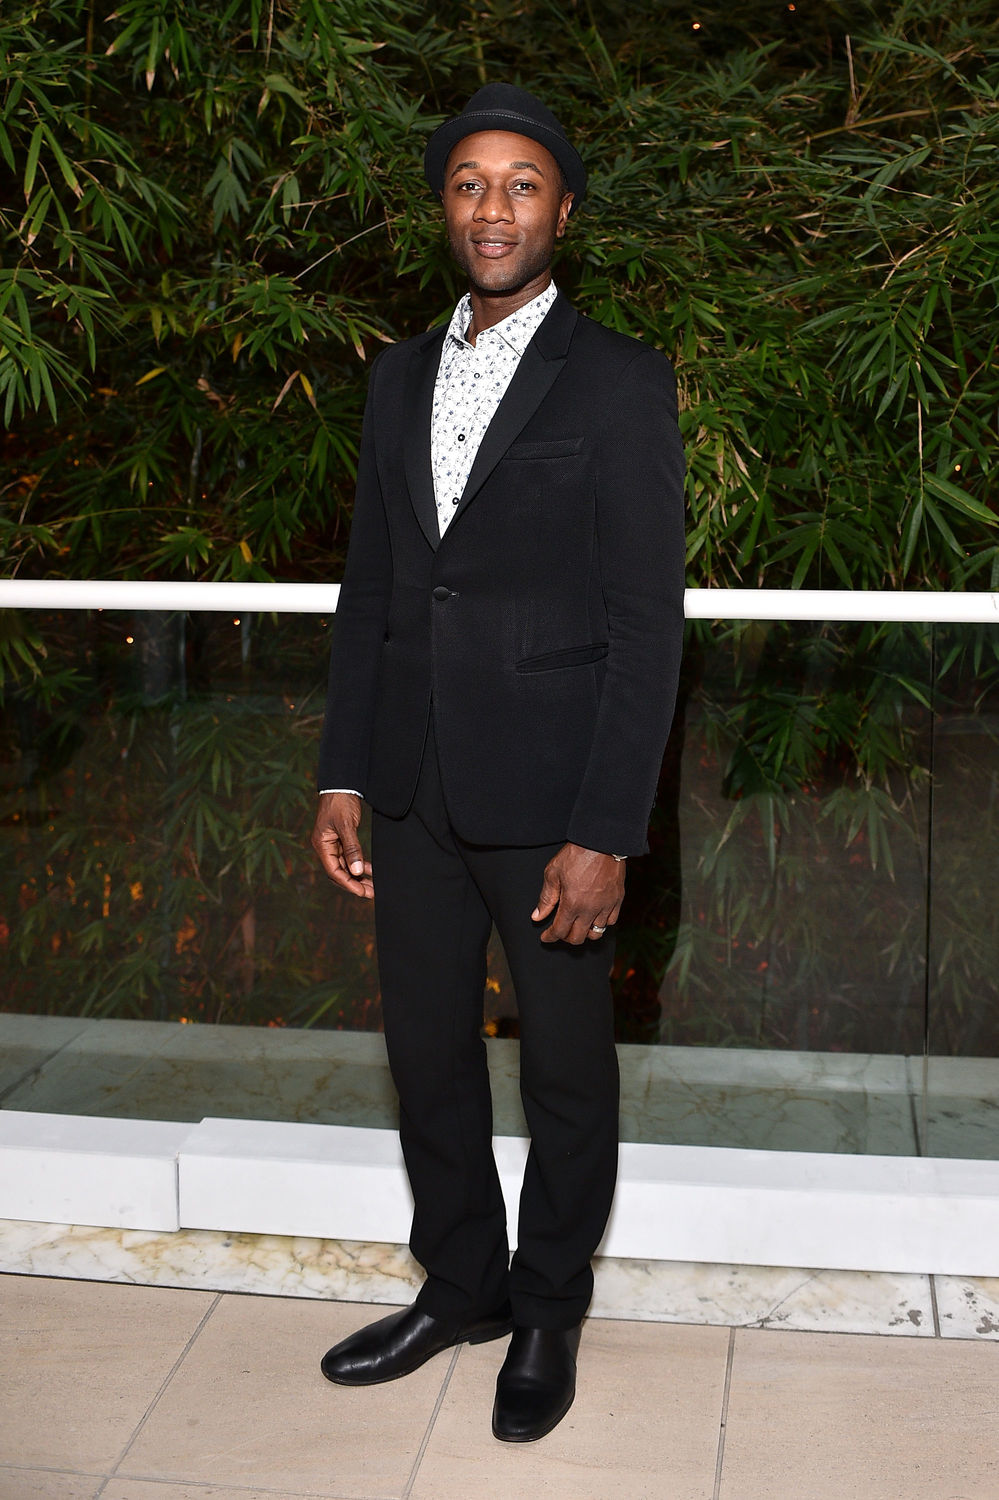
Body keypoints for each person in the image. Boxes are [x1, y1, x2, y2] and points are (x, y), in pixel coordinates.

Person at [311, 82, 685, 1443]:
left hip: (552, 804)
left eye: (523, 183)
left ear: (563, 210)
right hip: (410, 788)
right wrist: (342, 773)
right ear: (443, 206)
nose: (494, 206)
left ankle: (545, 1312)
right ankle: (457, 1284)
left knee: (569, 1075)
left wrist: (608, 827)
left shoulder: (623, 380)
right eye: (470, 181)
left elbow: (649, 627)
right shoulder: (397, 375)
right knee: (426, 1057)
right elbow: (374, 591)